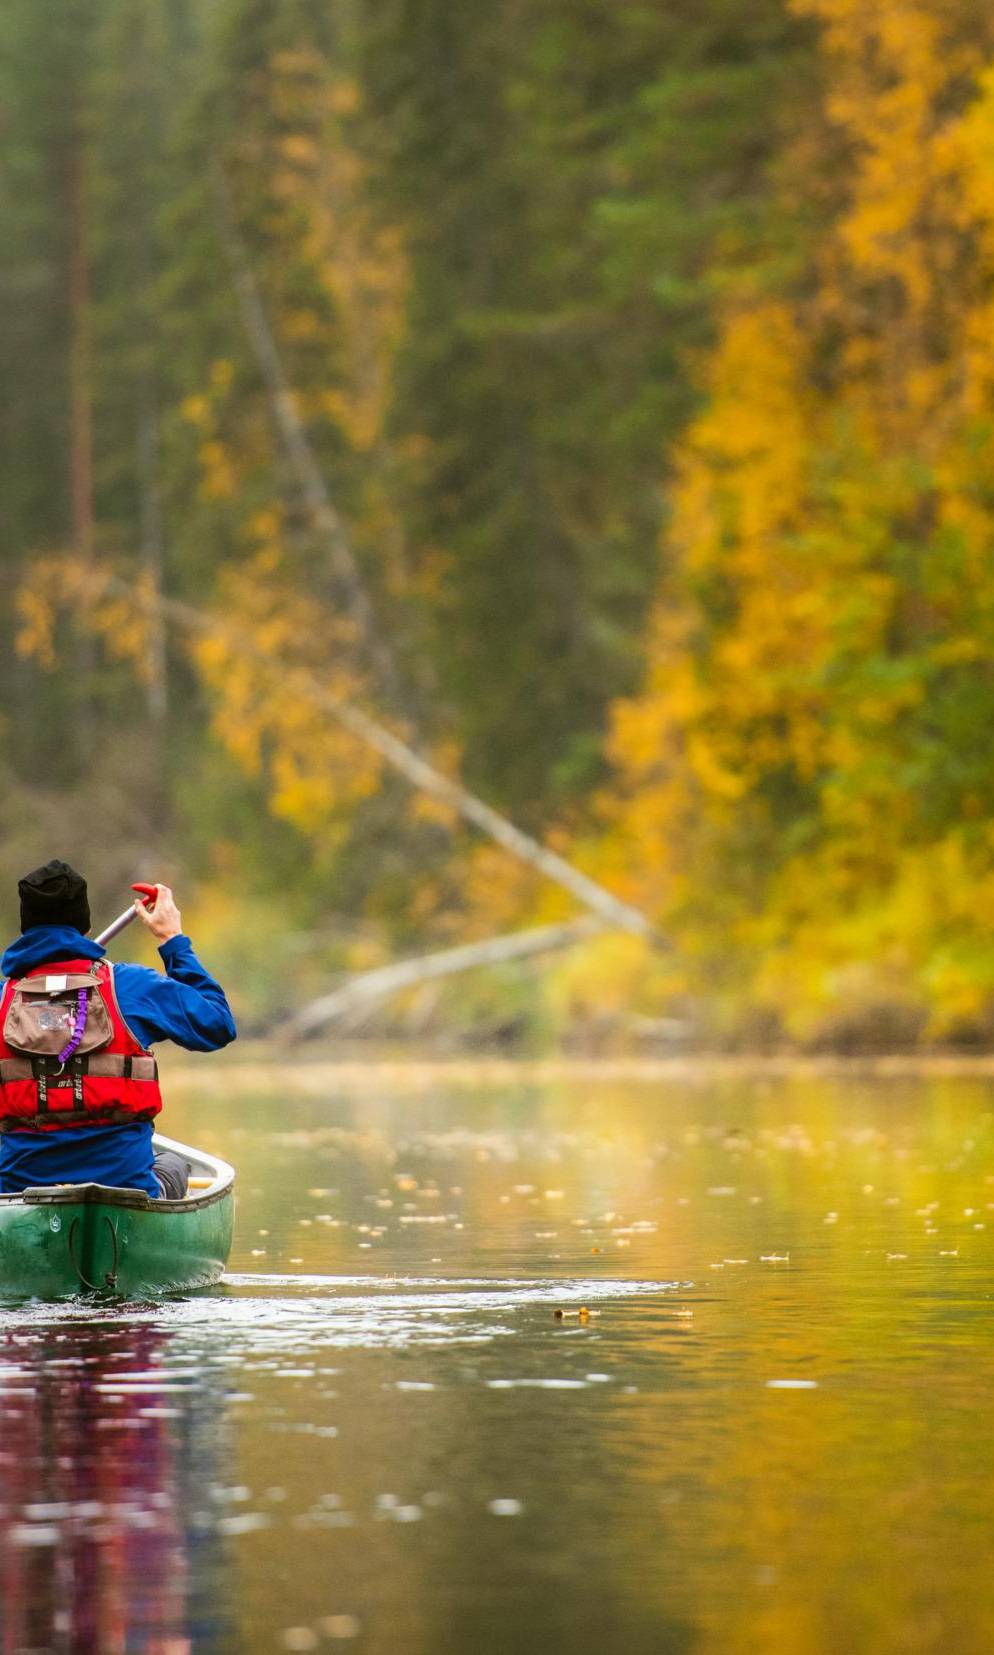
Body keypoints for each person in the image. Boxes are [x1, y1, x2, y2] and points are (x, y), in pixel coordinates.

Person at [0, 860, 236, 1199]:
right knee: (173, 1165)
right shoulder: (128, 986)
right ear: (83, 921)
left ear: (26, 923)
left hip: (17, 1194)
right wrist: (172, 940)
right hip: (126, 1188)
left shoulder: (2, 999)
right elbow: (217, 1023)